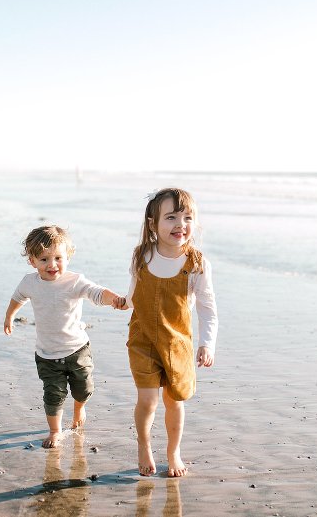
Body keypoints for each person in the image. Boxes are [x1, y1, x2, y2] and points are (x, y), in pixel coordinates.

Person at [116, 188, 218, 477]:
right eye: (170, 217)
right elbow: (134, 293)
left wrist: (207, 344)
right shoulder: (142, 255)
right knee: (148, 401)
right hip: (142, 340)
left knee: (175, 401)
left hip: (178, 344)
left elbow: (208, 308)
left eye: (187, 217)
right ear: (153, 224)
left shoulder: (197, 263)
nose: (180, 224)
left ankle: (174, 451)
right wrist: (123, 302)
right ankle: (144, 445)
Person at [4, 225, 123, 448]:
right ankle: (55, 430)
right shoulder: (29, 283)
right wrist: (10, 316)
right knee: (53, 395)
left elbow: (96, 293)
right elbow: (18, 297)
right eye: (44, 259)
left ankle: (79, 409)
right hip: (47, 354)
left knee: (84, 389)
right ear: (32, 261)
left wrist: (114, 299)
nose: (52, 265)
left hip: (77, 349)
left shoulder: (74, 281)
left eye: (58, 257)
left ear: (68, 256)